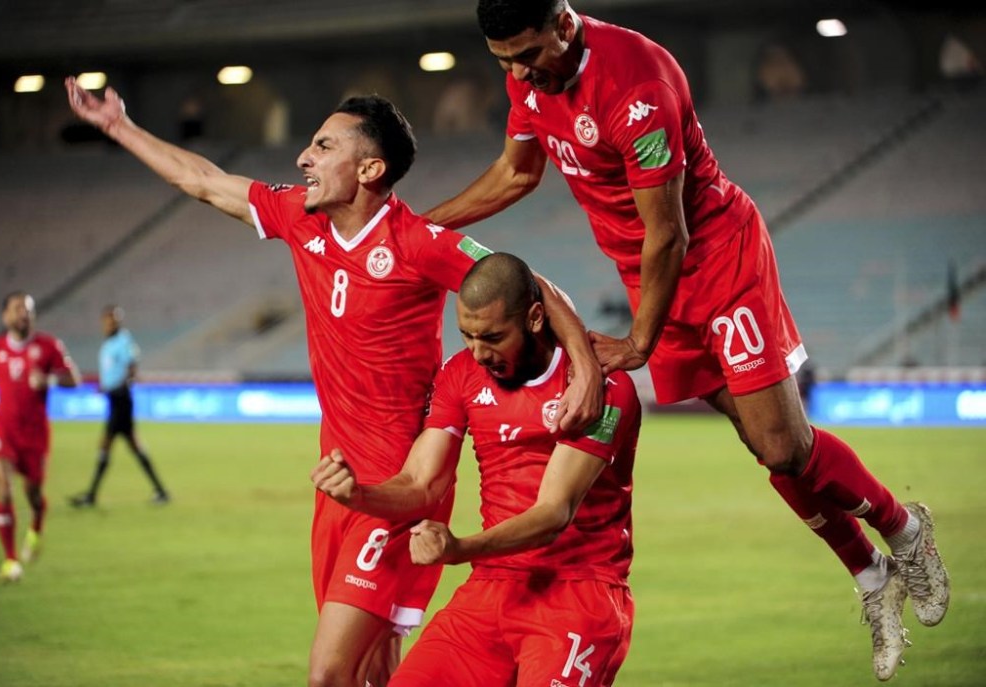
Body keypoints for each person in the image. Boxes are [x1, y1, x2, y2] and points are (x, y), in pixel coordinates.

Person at [424, 1, 950, 680]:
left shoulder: (634, 85)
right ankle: (870, 571)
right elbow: (517, 173)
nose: (520, 72)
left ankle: (904, 527)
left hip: (712, 262)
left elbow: (669, 231)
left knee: (782, 444)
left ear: (562, 21)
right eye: (505, 62)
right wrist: (419, 225)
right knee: (769, 448)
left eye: (528, 54)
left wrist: (640, 341)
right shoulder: (530, 81)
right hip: (651, 274)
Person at [65, 77, 603, 687]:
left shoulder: (419, 244)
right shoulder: (301, 219)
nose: (303, 159)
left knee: (327, 673)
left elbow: (523, 284)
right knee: (373, 670)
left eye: (323, 147)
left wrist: (584, 366)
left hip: (400, 490)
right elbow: (204, 181)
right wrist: (117, 126)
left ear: (370, 168)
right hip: (339, 486)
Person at [312, 252, 641, 686]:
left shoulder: (600, 387)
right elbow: (420, 483)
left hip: (577, 593)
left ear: (536, 318)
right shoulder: (461, 374)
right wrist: (358, 495)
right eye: (467, 335)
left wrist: (458, 549)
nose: (478, 352)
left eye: (492, 337)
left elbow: (553, 513)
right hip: (490, 589)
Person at [0, 291, 81, 583]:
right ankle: (11, 560)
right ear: (6, 316)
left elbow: (74, 379)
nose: (23, 314)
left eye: (27, 310)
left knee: (34, 495)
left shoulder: (48, 346)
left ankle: (37, 524)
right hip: (3, 428)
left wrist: (49, 379)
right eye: (17, 309)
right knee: (4, 488)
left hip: (35, 435)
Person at [69, 304, 169, 508]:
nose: (109, 324)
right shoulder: (109, 343)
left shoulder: (124, 341)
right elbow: (112, 371)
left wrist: (114, 388)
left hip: (121, 400)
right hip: (115, 399)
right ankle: (160, 490)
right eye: (107, 320)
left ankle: (91, 495)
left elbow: (131, 370)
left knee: (106, 444)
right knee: (133, 445)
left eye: (113, 320)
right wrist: (105, 387)